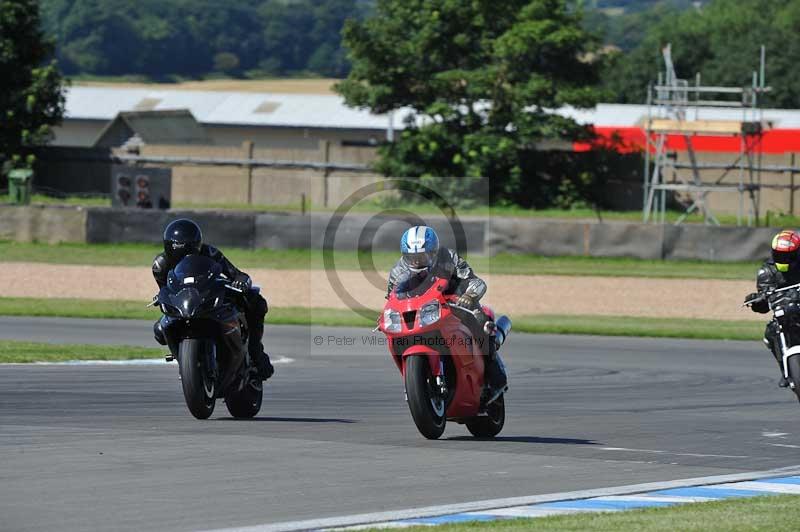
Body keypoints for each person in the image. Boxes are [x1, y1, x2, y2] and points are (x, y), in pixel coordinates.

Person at [387, 225, 507, 399]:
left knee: (478, 321)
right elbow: (392, 299)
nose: (416, 261)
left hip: (456, 304)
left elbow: (475, 282)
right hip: (423, 311)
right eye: (411, 256)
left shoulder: (449, 258)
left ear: (433, 252)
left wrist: (469, 295)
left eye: (422, 256)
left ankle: (494, 376)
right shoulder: (398, 271)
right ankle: (414, 383)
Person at [152, 218, 274, 380]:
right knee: (160, 330)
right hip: (183, 306)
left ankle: (255, 351)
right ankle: (183, 359)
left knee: (255, 301)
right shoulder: (160, 266)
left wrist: (240, 282)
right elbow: (165, 290)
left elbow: (235, 274)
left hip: (207, 298)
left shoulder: (209, 253)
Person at [745, 229, 800, 387]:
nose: (785, 259)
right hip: (783, 311)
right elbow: (764, 304)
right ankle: (786, 371)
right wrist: (757, 301)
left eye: (789, 256)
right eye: (781, 255)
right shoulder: (766, 272)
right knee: (770, 333)